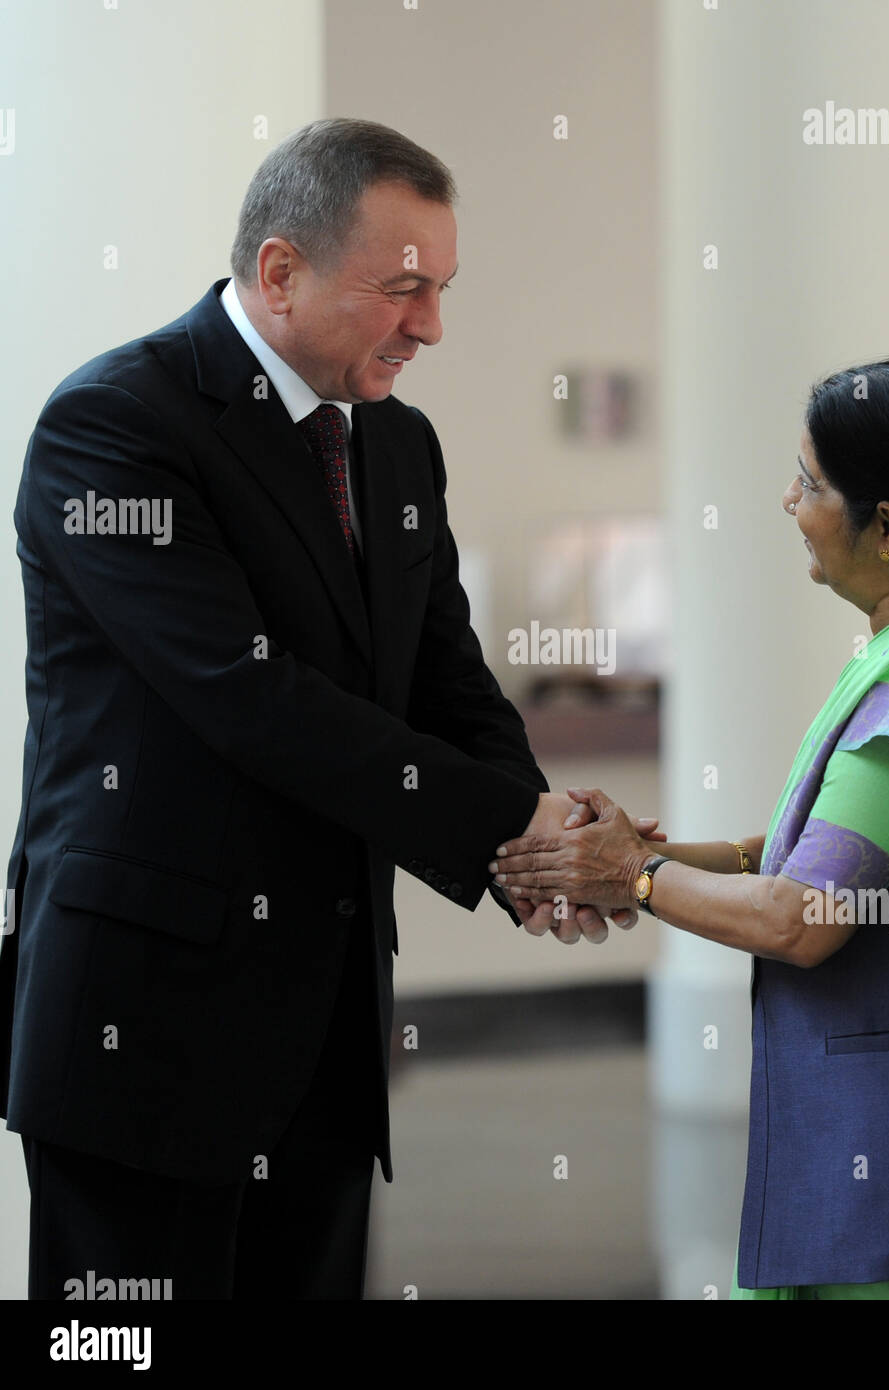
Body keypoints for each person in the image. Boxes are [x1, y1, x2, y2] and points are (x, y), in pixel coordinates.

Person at [0, 117, 648, 1301]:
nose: (432, 328)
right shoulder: (113, 429)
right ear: (281, 270)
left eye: (443, 290)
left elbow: (445, 675)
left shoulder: (396, 447)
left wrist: (529, 844)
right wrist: (525, 834)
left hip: (328, 1033)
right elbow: (252, 699)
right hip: (146, 1025)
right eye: (404, 290)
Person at [492, 359, 889, 1299]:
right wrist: (642, 854)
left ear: (888, 528)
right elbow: (836, 859)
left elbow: (800, 915)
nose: (788, 501)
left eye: (812, 482)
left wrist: (629, 877)